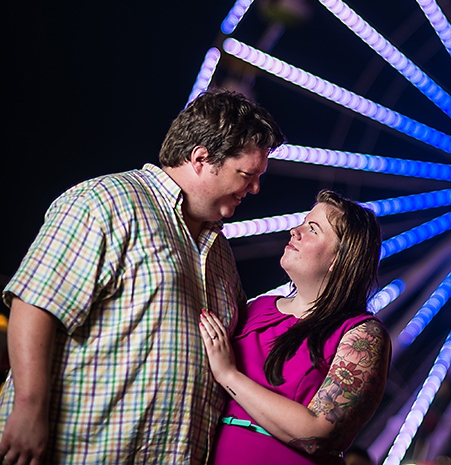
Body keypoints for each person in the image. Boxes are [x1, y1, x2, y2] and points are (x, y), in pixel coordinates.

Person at [0, 88, 285, 464]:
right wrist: (28, 409)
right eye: (247, 174)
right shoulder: (107, 201)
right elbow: (36, 303)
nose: (255, 188)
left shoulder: (222, 258)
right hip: (78, 450)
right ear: (201, 158)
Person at [199, 189, 391, 465]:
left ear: (340, 258)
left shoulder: (362, 335)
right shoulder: (255, 309)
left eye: (312, 229)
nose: (294, 231)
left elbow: (318, 434)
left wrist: (228, 374)